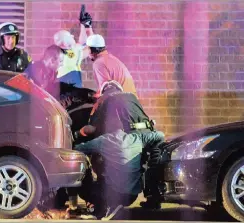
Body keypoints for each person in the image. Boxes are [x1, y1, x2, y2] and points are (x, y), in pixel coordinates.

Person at [69, 81, 165, 220]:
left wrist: (79, 133)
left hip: (125, 135)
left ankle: (105, 201)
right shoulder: (132, 97)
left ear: (103, 93)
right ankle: (153, 198)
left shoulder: (105, 100)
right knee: (146, 164)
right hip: (145, 134)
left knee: (102, 159)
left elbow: (93, 129)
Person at [53, 5, 93, 88]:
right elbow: (90, 47)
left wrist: (83, 25)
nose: (72, 36)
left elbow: (81, 43)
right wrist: (88, 27)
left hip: (66, 86)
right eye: (69, 36)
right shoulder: (70, 56)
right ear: (64, 44)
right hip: (70, 89)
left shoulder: (66, 50)